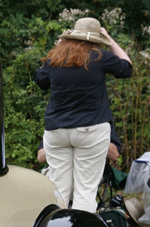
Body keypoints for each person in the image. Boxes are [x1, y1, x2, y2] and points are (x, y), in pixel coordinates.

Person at [35, 17, 131, 211]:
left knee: (59, 189)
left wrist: (60, 46)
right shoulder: (99, 56)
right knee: (85, 189)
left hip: (57, 131)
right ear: (96, 40)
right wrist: (110, 40)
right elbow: (126, 67)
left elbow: (40, 80)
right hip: (91, 129)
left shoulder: (55, 60)